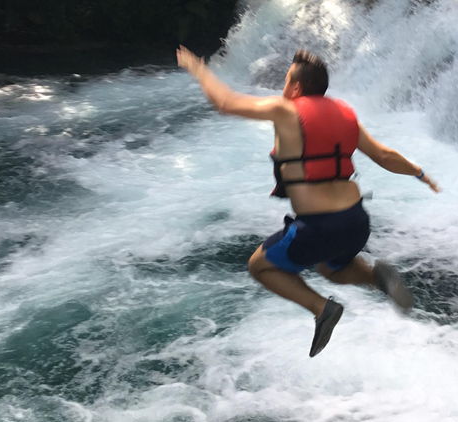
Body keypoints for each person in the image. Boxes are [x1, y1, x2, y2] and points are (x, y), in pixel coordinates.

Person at [176, 46, 439, 357]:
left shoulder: (285, 111)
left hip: (319, 225)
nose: (283, 87)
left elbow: (225, 103)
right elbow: (383, 156)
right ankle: (376, 277)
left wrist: (198, 69)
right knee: (331, 268)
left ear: (297, 87)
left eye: (286, 80)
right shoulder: (345, 113)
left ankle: (322, 309)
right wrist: (420, 173)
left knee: (259, 266)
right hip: (357, 221)